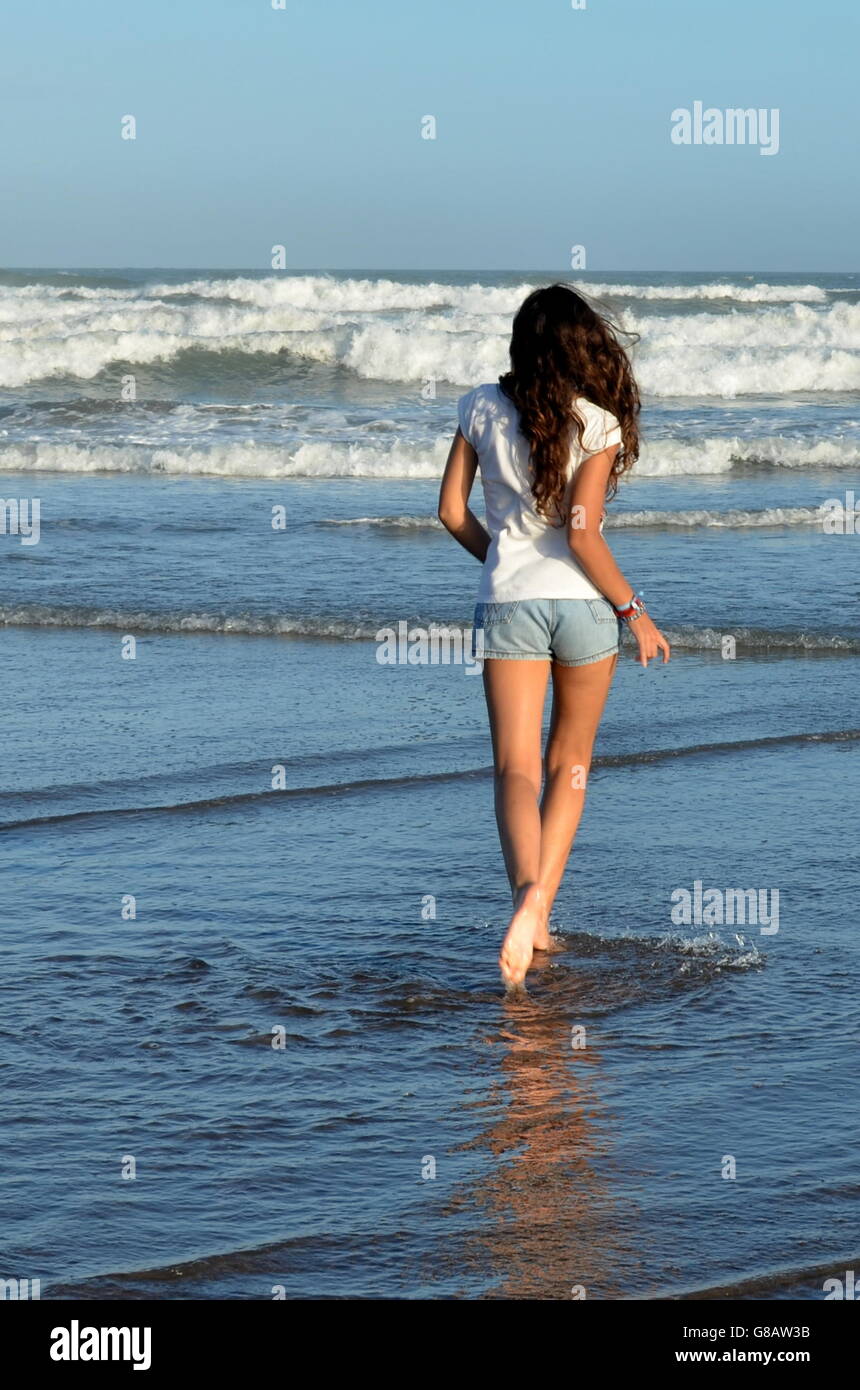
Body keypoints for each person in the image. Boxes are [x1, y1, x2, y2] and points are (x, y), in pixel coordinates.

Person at [438, 284, 670, 987]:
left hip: (511, 604)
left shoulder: (480, 405)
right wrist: (636, 613)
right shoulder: (597, 423)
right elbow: (581, 532)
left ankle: (522, 900)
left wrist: (505, 566)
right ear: (581, 346)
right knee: (570, 762)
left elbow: (450, 512)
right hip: (585, 610)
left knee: (515, 767)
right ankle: (542, 911)